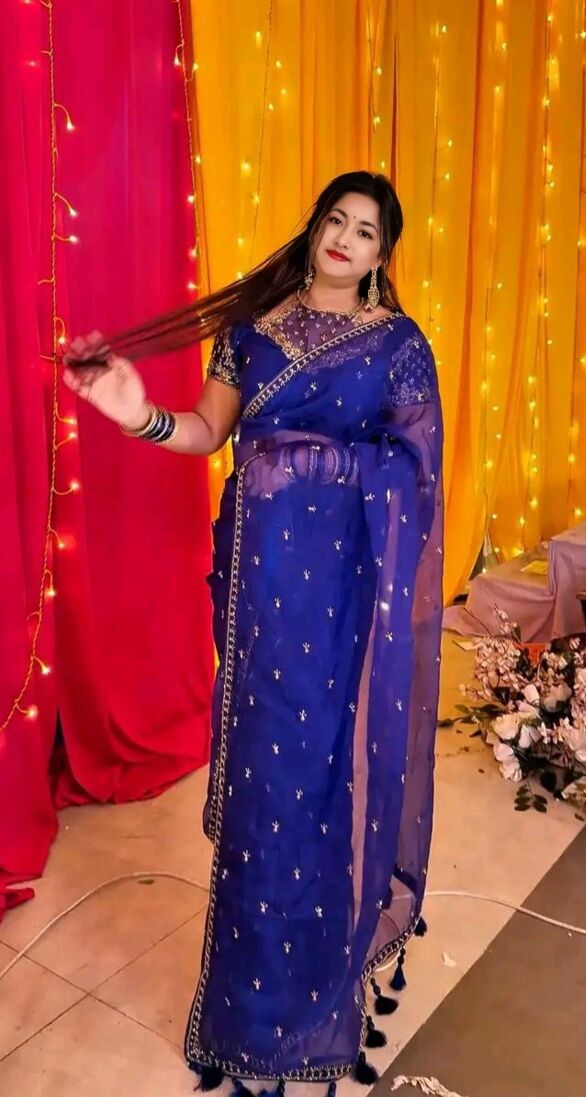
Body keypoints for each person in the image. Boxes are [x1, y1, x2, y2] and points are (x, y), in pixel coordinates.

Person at [63, 171, 444, 1094]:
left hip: (342, 598)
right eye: (335, 219)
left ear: (382, 254)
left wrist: (324, 461)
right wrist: (134, 411)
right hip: (258, 592)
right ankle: (248, 1014)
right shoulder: (251, 332)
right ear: (314, 227)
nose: (345, 237)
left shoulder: (396, 346)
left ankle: (315, 997)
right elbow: (204, 431)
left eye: (366, 230)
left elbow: (416, 470)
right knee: (262, 788)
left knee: (321, 780)